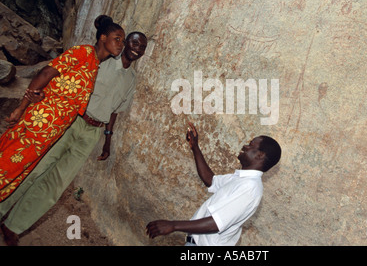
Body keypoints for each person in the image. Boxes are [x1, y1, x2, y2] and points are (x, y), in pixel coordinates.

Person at [0, 32, 147, 246]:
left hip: (92, 133)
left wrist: (107, 138)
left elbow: (115, 112)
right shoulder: (102, 62)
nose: (137, 48)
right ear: (124, 43)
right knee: (36, 168)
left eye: (142, 46)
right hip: (71, 122)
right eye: (134, 42)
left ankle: (13, 226)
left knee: (57, 182)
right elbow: (65, 81)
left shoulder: (131, 80)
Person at [146, 122, 281, 246]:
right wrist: (195, 146)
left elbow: (216, 223)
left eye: (251, 145)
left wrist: (173, 225)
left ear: (260, 156)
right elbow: (210, 180)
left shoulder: (250, 188)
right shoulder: (241, 179)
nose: (245, 146)